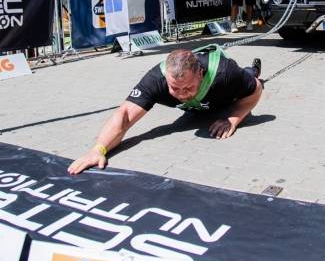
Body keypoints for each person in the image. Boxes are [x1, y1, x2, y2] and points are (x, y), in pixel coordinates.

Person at [68, 46, 263, 175]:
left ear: (200, 74)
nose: (182, 94)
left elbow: (256, 91)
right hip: (198, 107)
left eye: (188, 88)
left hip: (224, 99)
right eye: (175, 88)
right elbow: (125, 114)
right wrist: (98, 149)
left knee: (250, 77)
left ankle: (253, 69)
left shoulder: (225, 73)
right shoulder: (156, 80)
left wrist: (233, 118)